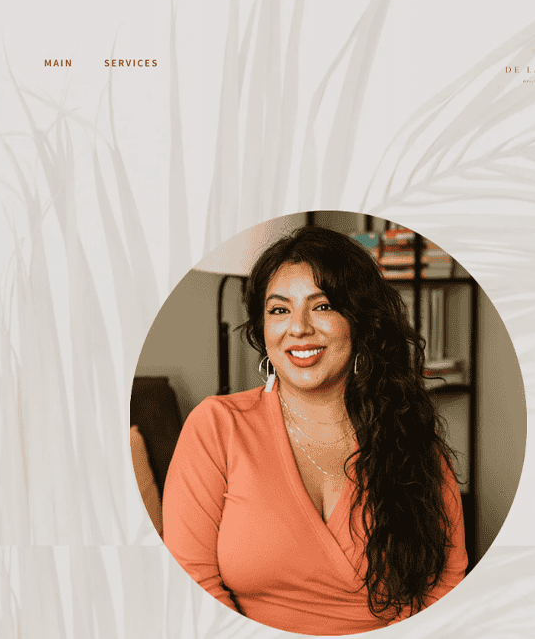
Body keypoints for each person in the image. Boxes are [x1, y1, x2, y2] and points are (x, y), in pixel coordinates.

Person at [163, 226, 466, 635]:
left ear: (359, 322)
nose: (299, 327)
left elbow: (444, 585)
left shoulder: (411, 438)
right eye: (279, 309)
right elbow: (191, 580)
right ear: (262, 327)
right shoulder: (217, 426)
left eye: (322, 307)